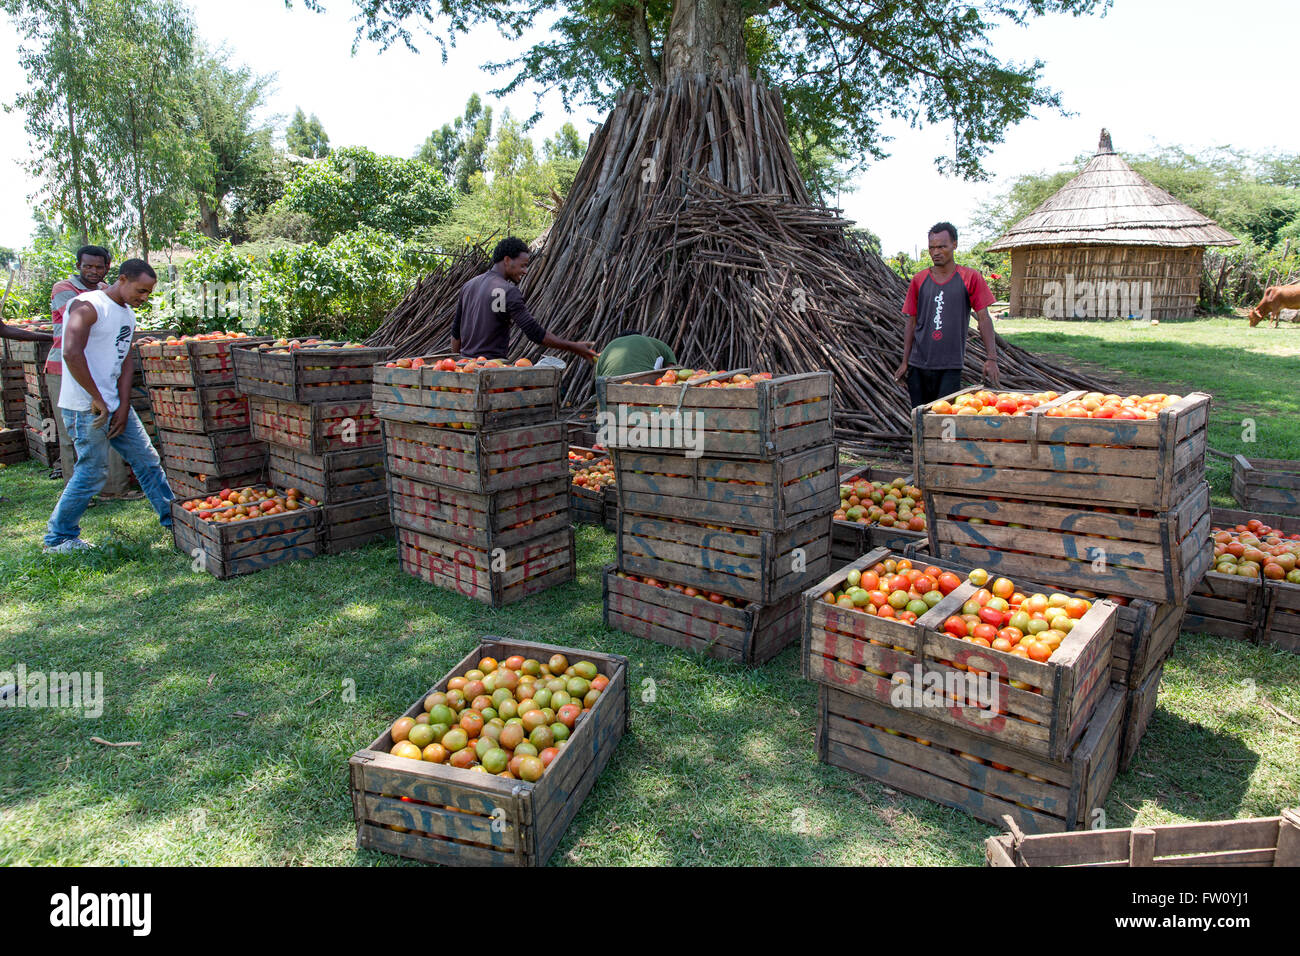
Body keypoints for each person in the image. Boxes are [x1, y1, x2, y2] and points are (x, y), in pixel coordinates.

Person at [43, 259, 173, 554]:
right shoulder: (87, 305)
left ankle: (173, 520)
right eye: (141, 290)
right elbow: (71, 352)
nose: (144, 297)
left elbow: (124, 361)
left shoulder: (127, 315)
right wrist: (97, 397)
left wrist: (123, 403)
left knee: (147, 461)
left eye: (148, 293)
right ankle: (58, 537)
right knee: (92, 471)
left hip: (113, 405)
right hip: (84, 406)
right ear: (123, 279)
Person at [45, 246, 135, 496]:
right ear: (78, 265)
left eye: (99, 267)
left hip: (100, 369)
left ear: (108, 267)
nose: (93, 271)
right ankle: (79, 492)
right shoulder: (65, 290)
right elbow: (85, 323)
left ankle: (115, 489)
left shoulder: (108, 291)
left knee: (106, 426)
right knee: (71, 433)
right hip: (64, 368)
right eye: (88, 266)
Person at [893, 222, 999, 408]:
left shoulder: (970, 278)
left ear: (955, 245)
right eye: (932, 247)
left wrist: (991, 358)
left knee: (944, 421)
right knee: (919, 420)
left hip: (950, 366)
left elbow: (983, 319)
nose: (936, 252)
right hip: (918, 366)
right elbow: (911, 322)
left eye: (942, 246)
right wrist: (905, 362)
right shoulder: (919, 280)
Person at [451, 237, 596, 363]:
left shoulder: (468, 286)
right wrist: (574, 346)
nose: (525, 271)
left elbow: (456, 333)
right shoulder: (508, 291)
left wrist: (459, 367)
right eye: (523, 265)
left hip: (467, 365)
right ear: (507, 260)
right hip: (491, 369)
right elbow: (534, 332)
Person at [594, 330, 676, 379]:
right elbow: (671, 372)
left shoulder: (607, 349)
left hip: (612, 394)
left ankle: (622, 408)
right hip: (644, 391)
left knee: (622, 407)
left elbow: (598, 380)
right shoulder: (657, 344)